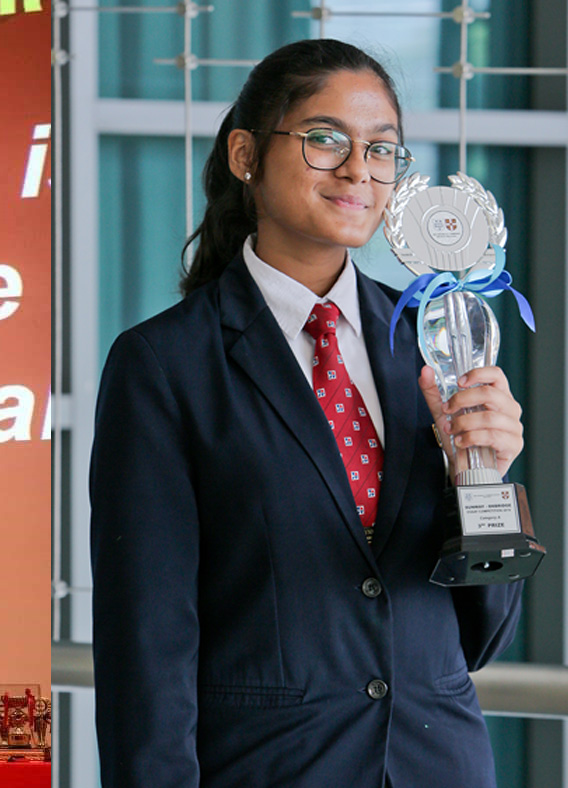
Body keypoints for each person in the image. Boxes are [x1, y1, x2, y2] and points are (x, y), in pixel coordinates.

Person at [90, 39, 526, 788]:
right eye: (326, 139)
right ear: (245, 154)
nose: (358, 169)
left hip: (439, 765)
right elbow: (146, 648)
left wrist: (482, 483)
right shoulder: (165, 365)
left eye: (383, 149)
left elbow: (479, 637)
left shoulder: (434, 345)